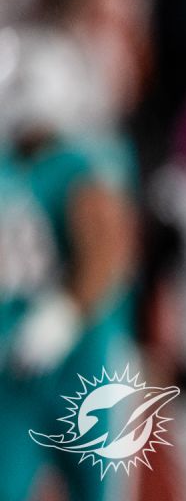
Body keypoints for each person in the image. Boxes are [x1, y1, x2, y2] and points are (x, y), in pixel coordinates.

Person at [0, 27, 138, 501]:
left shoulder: (79, 163)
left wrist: (59, 320)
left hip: (81, 360)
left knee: (93, 490)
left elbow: (110, 253)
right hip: (12, 359)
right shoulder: (7, 164)